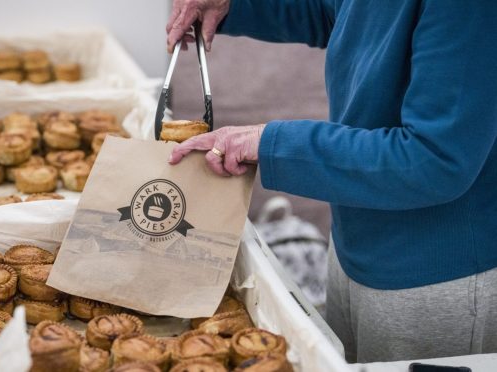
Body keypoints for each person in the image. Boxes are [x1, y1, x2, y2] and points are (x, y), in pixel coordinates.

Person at [166, 0, 497, 364]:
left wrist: (269, 143)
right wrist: (232, 6)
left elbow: (435, 160)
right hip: (353, 243)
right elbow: (336, 12)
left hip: (429, 278)